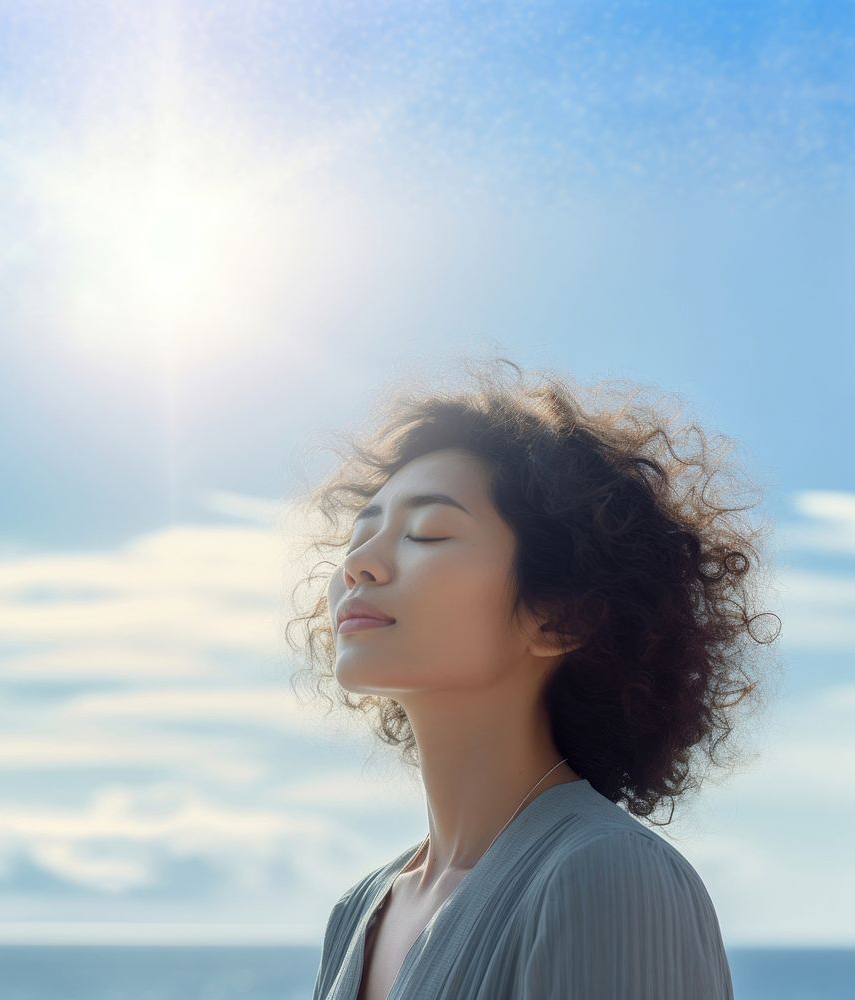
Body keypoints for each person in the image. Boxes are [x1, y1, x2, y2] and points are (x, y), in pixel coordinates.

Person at [286, 358, 780, 999]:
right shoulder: (357, 912)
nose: (359, 564)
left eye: (427, 532)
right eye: (361, 534)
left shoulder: (609, 876)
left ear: (559, 618)